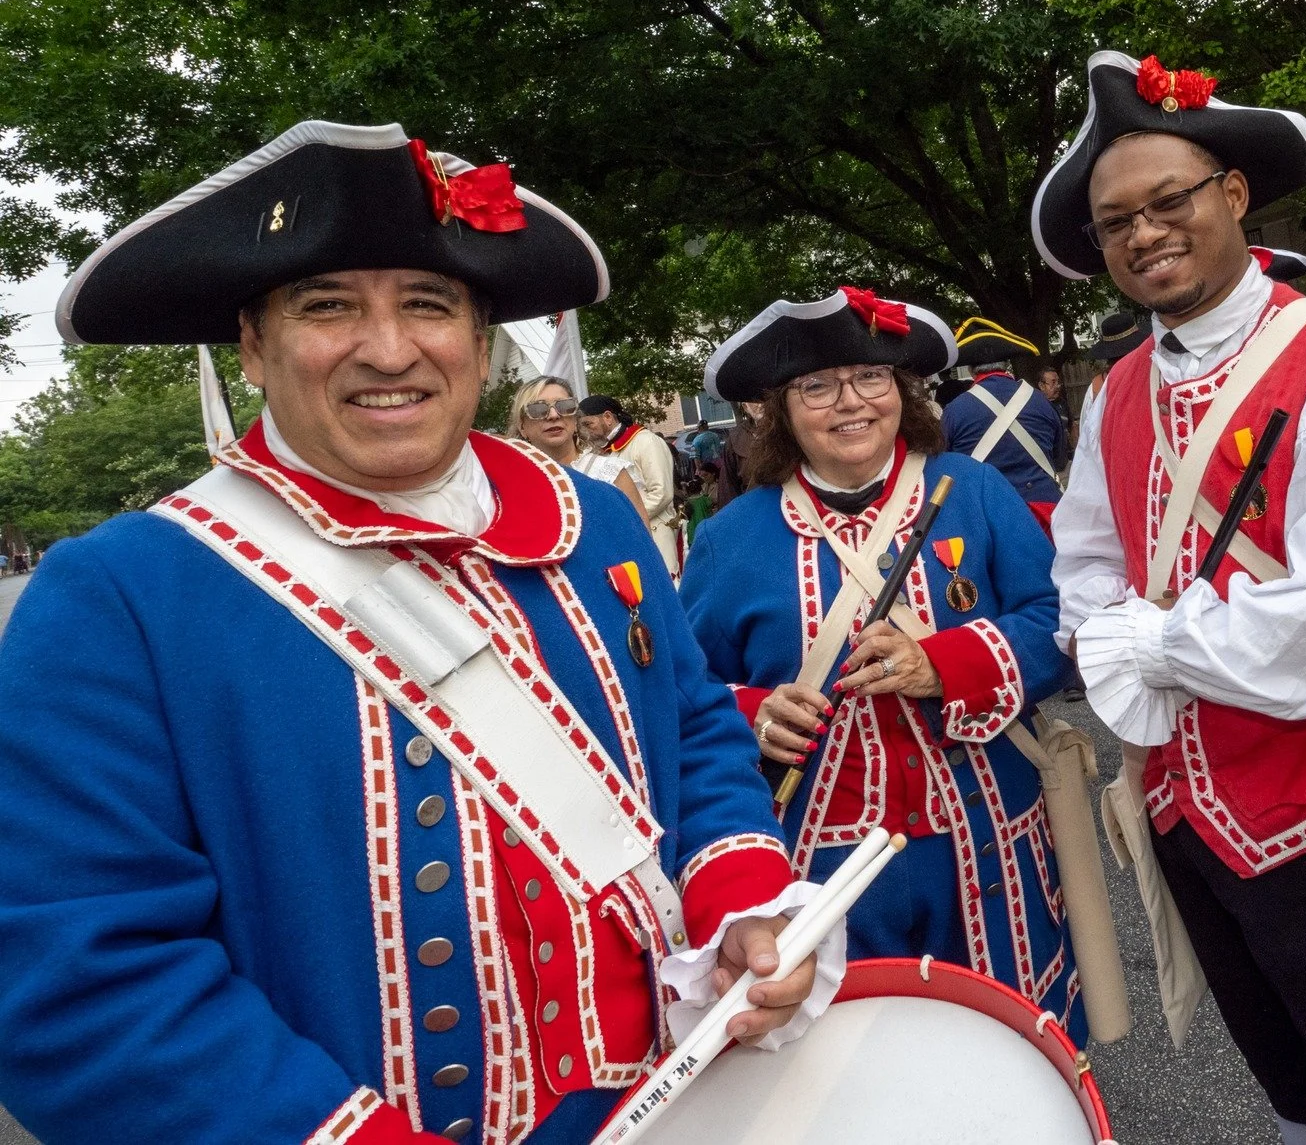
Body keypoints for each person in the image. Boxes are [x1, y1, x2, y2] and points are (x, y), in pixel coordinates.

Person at [0, 121, 830, 1144]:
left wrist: (742, 896)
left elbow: (692, 731)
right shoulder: (120, 595)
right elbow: (81, 982)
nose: (389, 349)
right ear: (253, 345)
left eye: (428, 304)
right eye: (328, 306)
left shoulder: (596, 525)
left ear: (479, 342)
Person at [1035, 50, 1306, 1145]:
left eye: (1167, 201)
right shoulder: (1118, 387)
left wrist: (1144, 644)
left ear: (1230, 194)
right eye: (1114, 221)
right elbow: (1084, 560)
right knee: (1287, 1082)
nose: (1143, 233)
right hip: (1183, 809)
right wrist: (1112, 628)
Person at [680, 287, 1088, 1040]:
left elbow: (1059, 622)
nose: (850, 401)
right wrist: (756, 712)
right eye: (817, 386)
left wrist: (945, 664)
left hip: (988, 850)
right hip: (820, 873)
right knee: (849, 1066)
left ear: (902, 391)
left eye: (871, 377)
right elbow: (685, 693)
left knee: (1008, 1054)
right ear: (780, 410)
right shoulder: (729, 538)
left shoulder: (974, 491)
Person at [941, 316, 1065, 529]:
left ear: (971, 369)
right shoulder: (1041, 402)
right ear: (1007, 365)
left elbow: (945, 468)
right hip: (1044, 518)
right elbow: (1060, 460)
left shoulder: (954, 410)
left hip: (986, 519)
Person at [510, 375, 649, 523]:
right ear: (522, 427)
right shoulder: (511, 485)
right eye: (538, 409)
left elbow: (640, 535)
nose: (554, 415)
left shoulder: (611, 474)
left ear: (575, 421)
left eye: (565, 406)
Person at [579, 394, 680, 582]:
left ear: (607, 417)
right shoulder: (599, 452)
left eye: (588, 424)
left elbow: (661, 493)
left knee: (661, 585)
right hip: (622, 537)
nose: (585, 431)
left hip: (656, 532)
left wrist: (620, 519)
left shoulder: (646, 442)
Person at [1035, 365, 1076, 470]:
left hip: (1067, 462)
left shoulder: (1063, 404)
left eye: (1058, 382)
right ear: (1041, 386)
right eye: (1053, 382)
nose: (1058, 386)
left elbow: (1072, 428)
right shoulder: (1036, 407)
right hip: (1048, 466)